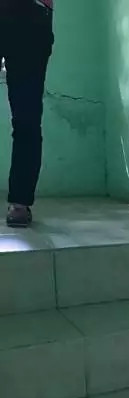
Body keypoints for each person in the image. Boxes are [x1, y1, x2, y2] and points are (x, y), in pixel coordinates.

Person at [0, 0, 53, 228]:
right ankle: (19, 204)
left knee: (26, 118)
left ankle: (20, 203)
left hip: (31, 15)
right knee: (27, 119)